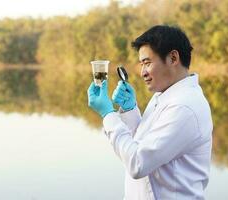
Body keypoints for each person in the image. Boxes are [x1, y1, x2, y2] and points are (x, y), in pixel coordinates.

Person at [87, 25, 213, 200]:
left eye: (147, 63)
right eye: (141, 65)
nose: (142, 72)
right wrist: (130, 111)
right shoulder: (164, 94)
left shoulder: (184, 107)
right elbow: (143, 144)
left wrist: (108, 114)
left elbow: (138, 163)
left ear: (173, 58)